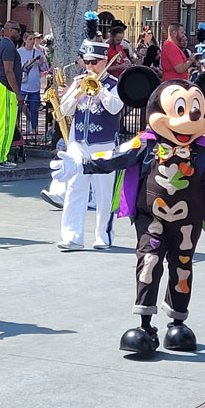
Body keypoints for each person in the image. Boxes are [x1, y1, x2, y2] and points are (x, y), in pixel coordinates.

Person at [54, 72, 205, 356]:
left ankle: (177, 321)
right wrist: (82, 164)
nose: (187, 121)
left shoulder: (204, 147)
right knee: (149, 263)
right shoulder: (146, 143)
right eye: (179, 111)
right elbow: (115, 158)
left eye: (194, 112)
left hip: (187, 221)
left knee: (182, 265)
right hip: (151, 218)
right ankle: (144, 325)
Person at [56, 39, 124, 250]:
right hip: (79, 143)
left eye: (94, 62)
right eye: (87, 62)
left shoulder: (114, 84)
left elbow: (115, 108)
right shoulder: (79, 82)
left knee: (104, 194)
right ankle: (72, 236)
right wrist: (77, 93)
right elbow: (64, 110)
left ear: (105, 61)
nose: (90, 67)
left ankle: (103, 236)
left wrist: (100, 89)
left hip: (104, 146)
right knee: (75, 189)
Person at [0, 21, 21, 169]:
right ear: (10, 30)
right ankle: (0, 157)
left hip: (0, 85)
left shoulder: (4, 45)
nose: (19, 34)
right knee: (7, 125)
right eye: (18, 30)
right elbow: (8, 71)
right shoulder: (8, 46)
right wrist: (17, 93)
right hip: (6, 87)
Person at [17, 29, 47, 135]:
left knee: (34, 108)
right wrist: (26, 64)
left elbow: (44, 68)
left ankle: (33, 127)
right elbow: (17, 67)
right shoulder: (19, 52)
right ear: (25, 40)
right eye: (30, 39)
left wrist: (41, 62)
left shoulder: (38, 52)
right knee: (19, 108)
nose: (32, 41)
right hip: (23, 84)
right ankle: (17, 127)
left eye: (34, 39)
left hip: (34, 84)